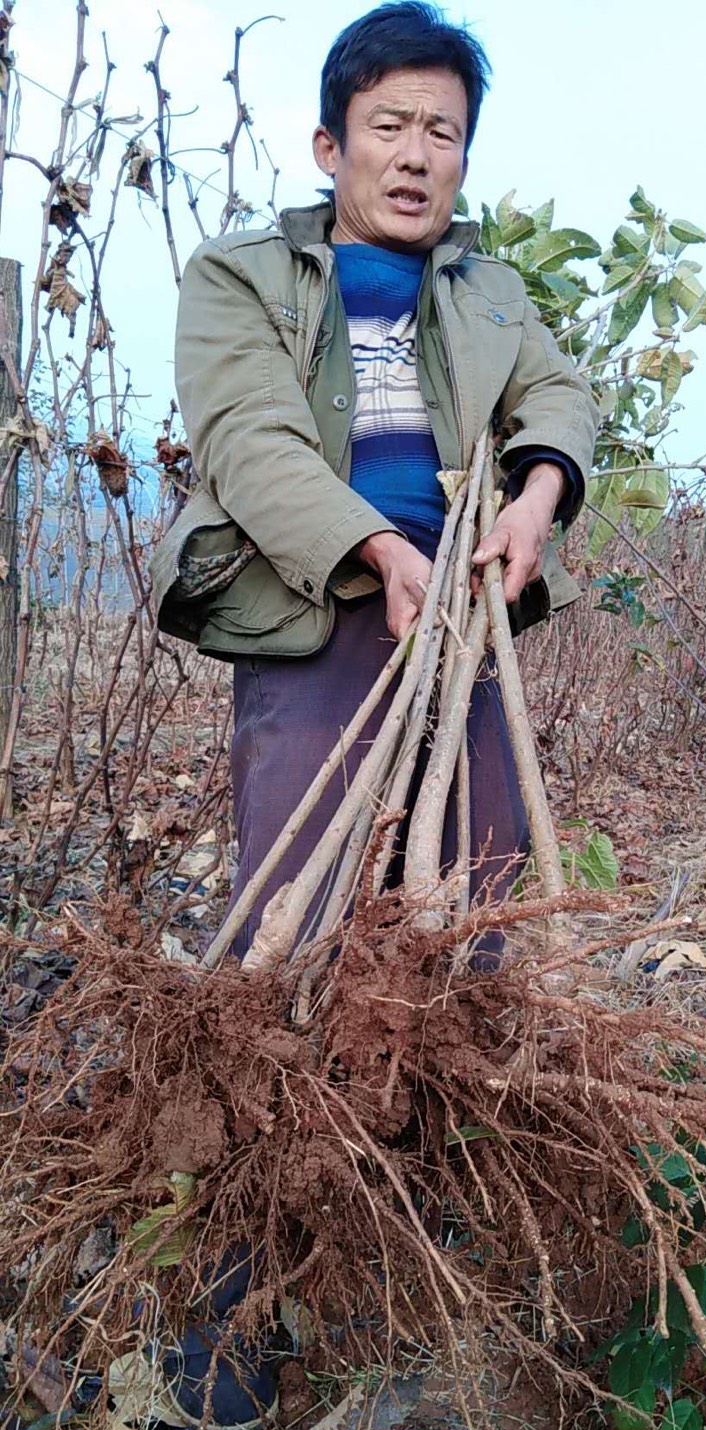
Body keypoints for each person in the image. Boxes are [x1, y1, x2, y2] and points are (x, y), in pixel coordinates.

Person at [151, 1, 599, 962]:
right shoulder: (242, 275)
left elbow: (559, 395)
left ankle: (451, 1092)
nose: (414, 155)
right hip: (319, 607)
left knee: (477, 896)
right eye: (388, 126)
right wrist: (382, 547)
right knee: (299, 905)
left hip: (461, 613)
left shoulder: (493, 294)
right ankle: (287, 1092)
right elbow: (251, 440)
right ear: (330, 144)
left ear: (463, 159)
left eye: (442, 132)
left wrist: (535, 495)